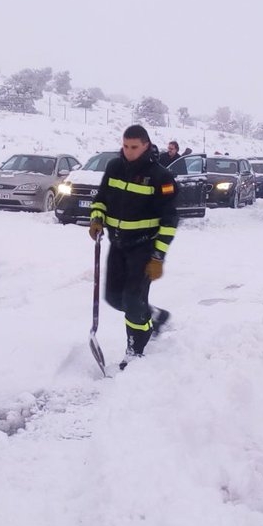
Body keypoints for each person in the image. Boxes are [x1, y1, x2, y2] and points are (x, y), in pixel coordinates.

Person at [87, 125, 178, 370]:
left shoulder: (161, 177)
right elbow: (101, 199)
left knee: (133, 300)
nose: (128, 152)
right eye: (125, 146)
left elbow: (170, 221)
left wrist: (158, 256)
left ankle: (134, 351)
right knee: (114, 297)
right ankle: (155, 317)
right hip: (118, 244)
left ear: (146, 145)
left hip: (144, 247)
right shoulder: (114, 167)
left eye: (134, 147)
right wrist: (97, 218)